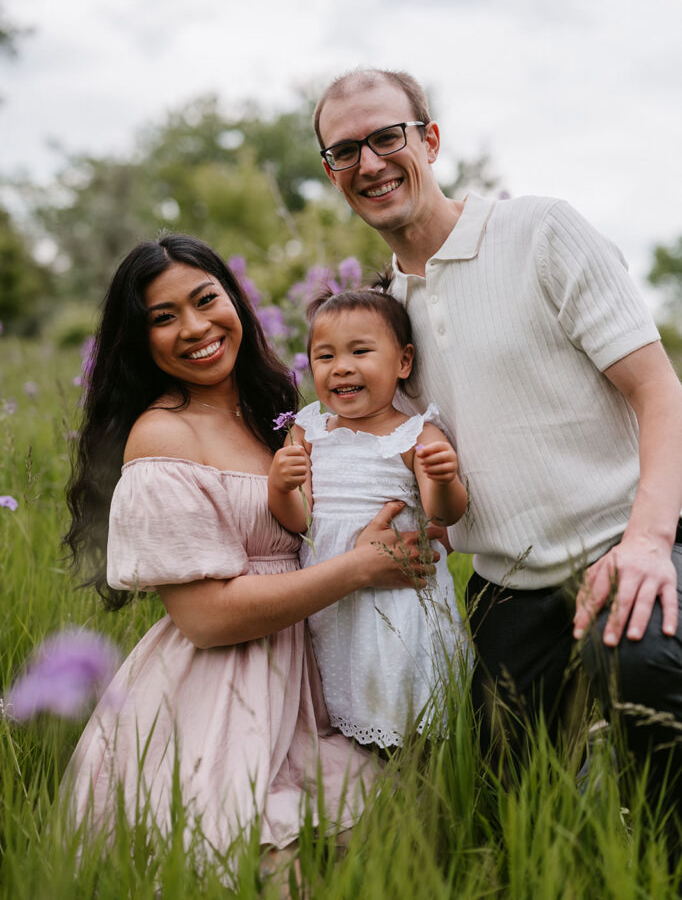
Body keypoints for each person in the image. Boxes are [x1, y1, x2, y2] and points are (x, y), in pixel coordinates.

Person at [312, 68, 682, 806]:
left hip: (625, 541)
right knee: (497, 799)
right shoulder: (384, 318)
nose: (371, 163)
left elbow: (661, 394)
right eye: (345, 151)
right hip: (507, 587)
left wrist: (647, 543)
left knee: (641, 669)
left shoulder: (540, 231)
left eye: (388, 137)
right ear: (332, 173)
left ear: (431, 139)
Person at [62, 232, 438, 865]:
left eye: (206, 299)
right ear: (140, 339)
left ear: (235, 301)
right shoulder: (161, 435)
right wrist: (360, 567)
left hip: (314, 670)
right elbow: (207, 618)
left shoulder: (279, 412)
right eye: (162, 317)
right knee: (258, 854)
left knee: (387, 842)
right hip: (220, 689)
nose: (194, 326)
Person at [268, 285, 469, 748]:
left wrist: (442, 480)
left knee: (405, 700)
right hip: (332, 597)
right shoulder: (309, 429)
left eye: (360, 351)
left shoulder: (416, 432)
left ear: (403, 362)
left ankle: (424, 780)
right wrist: (280, 485)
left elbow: (446, 515)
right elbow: (299, 520)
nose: (341, 367)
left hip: (398, 600)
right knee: (342, 700)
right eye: (324, 357)